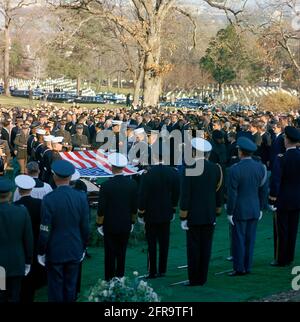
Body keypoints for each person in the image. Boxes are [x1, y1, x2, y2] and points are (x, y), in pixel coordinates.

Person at [38, 160, 90, 302]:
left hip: (55, 250)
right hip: (74, 248)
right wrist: (84, 246)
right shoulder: (81, 197)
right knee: (70, 288)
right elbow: (85, 226)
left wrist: (41, 250)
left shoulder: (49, 199)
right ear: (70, 177)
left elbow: (45, 229)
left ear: (54, 177)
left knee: (55, 288)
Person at [179, 138, 223, 286]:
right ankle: (202, 278)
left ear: (193, 152)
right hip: (209, 214)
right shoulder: (216, 168)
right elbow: (218, 193)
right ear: (207, 154)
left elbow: (186, 195)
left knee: (193, 249)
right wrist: (217, 212)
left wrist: (183, 216)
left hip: (193, 215)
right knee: (206, 247)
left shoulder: (189, 168)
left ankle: (194, 279)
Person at [226, 137, 268, 276]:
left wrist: (230, 211)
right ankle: (247, 266)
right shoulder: (260, 167)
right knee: (250, 239)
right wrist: (261, 207)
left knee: (239, 239)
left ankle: (239, 268)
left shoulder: (234, 169)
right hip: (254, 207)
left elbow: (232, 193)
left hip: (240, 209)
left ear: (240, 151)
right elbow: (263, 189)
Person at [138, 148, 180, 278]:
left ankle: (152, 271)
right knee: (164, 242)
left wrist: (141, 212)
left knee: (151, 243)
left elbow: (142, 196)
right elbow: (176, 193)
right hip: (166, 212)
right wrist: (173, 208)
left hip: (150, 213)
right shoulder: (172, 173)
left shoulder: (147, 174)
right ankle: (162, 270)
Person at [97, 153, 138, 281]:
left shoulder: (106, 185)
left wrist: (99, 224)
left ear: (112, 167)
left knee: (109, 254)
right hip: (125, 224)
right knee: (122, 253)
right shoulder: (132, 184)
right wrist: (132, 222)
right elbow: (134, 206)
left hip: (109, 225)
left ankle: (109, 279)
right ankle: (120, 278)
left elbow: (101, 208)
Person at [269, 126, 300, 267]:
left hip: (282, 199)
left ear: (287, 140)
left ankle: (281, 258)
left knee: (281, 230)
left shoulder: (281, 158)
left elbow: (276, 180)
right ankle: (290, 257)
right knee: (293, 229)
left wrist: (272, 198)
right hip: (297, 198)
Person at [0, 178, 33, 302]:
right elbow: (28, 239)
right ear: (10, 194)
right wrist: (28, 260)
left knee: (1, 295)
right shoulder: (21, 212)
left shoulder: (21, 211)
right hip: (17, 261)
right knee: (15, 296)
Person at [14, 175, 45, 302]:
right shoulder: (40, 203)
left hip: (21, 240)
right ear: (31, 189)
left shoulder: (15, 205)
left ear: (19, 189)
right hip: (37, 237)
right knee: (35, 265)